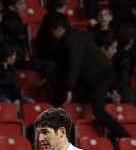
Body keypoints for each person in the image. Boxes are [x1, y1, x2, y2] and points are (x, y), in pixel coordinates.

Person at [50, 12, 130, 140]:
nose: (52, 35)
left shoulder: (71, 39)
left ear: (59, 29)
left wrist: (69, 88)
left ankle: (125, 136)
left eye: (52, 31)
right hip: (92, 76)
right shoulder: (77, 35)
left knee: (98, 110)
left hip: (101, 75)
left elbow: (74, 64)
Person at [0, 43, 34, 113]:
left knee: (30, 102)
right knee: (8, 102)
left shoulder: (12, 69)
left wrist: (16, 99)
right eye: (14, 55)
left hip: (9, 96)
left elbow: (14, 86)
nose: (15, 57)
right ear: (8, 57)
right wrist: (10, 98)